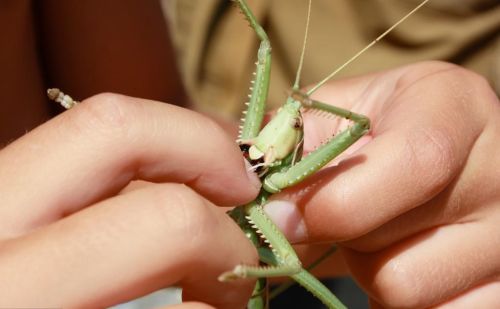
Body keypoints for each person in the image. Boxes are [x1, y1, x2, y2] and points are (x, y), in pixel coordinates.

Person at [0, 1, 499, 308]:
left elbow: (147, 117)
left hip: (244, 253)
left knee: (296, 270)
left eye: (293, 118)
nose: (286, 113)